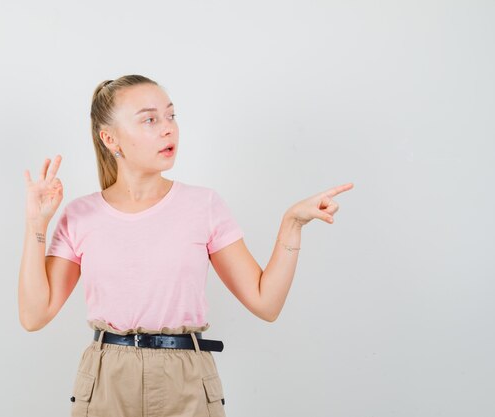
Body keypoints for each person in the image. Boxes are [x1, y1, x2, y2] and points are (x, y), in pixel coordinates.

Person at [18, 74, 354, 417]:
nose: (168, 129)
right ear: (110, 138)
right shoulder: (80, 215)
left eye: (171, 116)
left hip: (186, 378)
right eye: (150, 119)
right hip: (106, 379)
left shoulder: (203, 206)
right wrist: (36, 225)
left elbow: (266, 303)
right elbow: (34, 315)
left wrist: (291, 225)